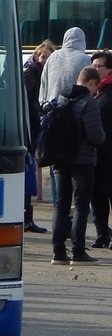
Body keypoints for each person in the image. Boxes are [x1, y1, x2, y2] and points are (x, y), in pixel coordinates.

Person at [51, 66, 105, 266]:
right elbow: (95, 135)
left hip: (60, 159)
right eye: (95, 85)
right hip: (82, 160)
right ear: (91, 82)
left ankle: (58, 252)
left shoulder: (62, 98)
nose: (95, 90)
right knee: (81, 206)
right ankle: (78, 251)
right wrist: (103, 138)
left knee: (60, 206)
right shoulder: (88, 103)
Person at [22, 39, 56, 233]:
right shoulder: (31, 74)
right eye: (43, 56)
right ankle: (27, 219)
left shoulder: (40, 74)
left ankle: (28, 218)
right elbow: (27, 105)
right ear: (36, 56)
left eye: (48, 57)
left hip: (33, 126)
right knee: (27, 174)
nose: (45, 60)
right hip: (29, 129)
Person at [90, 52, 112, 248]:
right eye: (93, 66)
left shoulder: (107, 92)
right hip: (96, 153)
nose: (95, 69)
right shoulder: (96, 91)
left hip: (109, 153)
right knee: (96, 195)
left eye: (98, 66)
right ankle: (102, 234)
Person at [39, 27, 90, 107]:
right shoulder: (86, 59)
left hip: (51, 109)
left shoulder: (53, 56)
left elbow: (44, 83)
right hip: (74, 110)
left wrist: (42, 104)